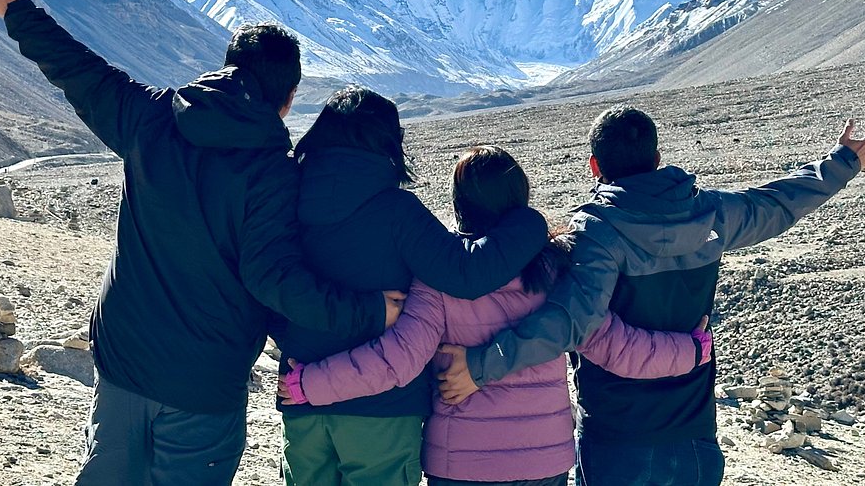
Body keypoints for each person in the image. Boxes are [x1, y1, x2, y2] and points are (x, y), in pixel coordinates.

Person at [0, 0, 404, 486]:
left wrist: (19, 11)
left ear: (226, 69)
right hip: (204, 383)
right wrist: (368, 312)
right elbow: (274, 281)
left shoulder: (152, 118)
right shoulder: (272, 173)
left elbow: (82, 74)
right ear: (287, 99)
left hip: (124, 358)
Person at [437, 108, 865, 486]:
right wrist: (841, 163)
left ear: (595, 167)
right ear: (657, 158)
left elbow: (570, 322)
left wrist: (480, 366)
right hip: (695, 431)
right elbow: (775, 203)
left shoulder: (594, 232)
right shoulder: (709, 211)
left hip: (620, 435)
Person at [278, 144, 713, 486]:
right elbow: (615, 345)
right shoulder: (555, 268)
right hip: (545, 458)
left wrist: (308, 384)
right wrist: (689, 351)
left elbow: (399, 357)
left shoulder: (438, 279)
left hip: (463, 461)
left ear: (461, 205)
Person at [271, 91, 552, 486]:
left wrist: (293, 340)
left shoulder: (283, 201)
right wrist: (530, 223)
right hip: (381, 412)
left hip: (300, 395)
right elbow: (466, 272)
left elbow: (262, 280)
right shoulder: (397, 211)